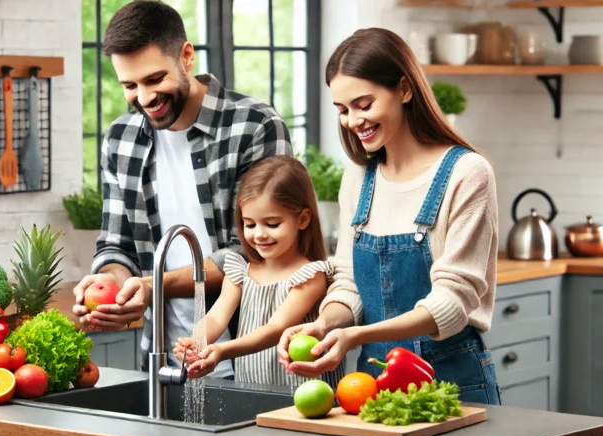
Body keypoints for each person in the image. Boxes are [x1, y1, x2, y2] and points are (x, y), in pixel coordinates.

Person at [276, 28, 501, 405]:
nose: (352, 121)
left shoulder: (467, 172)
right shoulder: (358, 177)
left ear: (404, 89)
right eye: (343, 110)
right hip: (372, 380)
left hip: (452, 381)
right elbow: (349, 280)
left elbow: (452, 302)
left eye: (364, 104)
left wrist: (357, 336)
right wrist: (325, 324)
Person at [71, 0, 293, 378]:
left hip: (254, 358)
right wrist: (111, 282)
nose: (144, 98)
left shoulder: (254, 127)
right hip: (165, 363)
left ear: (186, 56)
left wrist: (152, 285)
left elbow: (256, 251)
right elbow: (116, 245)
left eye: (155, 79)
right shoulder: (120, 140)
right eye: (130, 85)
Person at [173, 156, 346, 388]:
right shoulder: (240, 271)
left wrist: (222, 351)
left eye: (272, 224)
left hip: (305, 395)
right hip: (252, 390)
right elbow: (216, 317)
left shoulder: (311, 275)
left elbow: (275, 329)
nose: (259, 234)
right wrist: (196, 342)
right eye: (250, 224)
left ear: (303, 219)